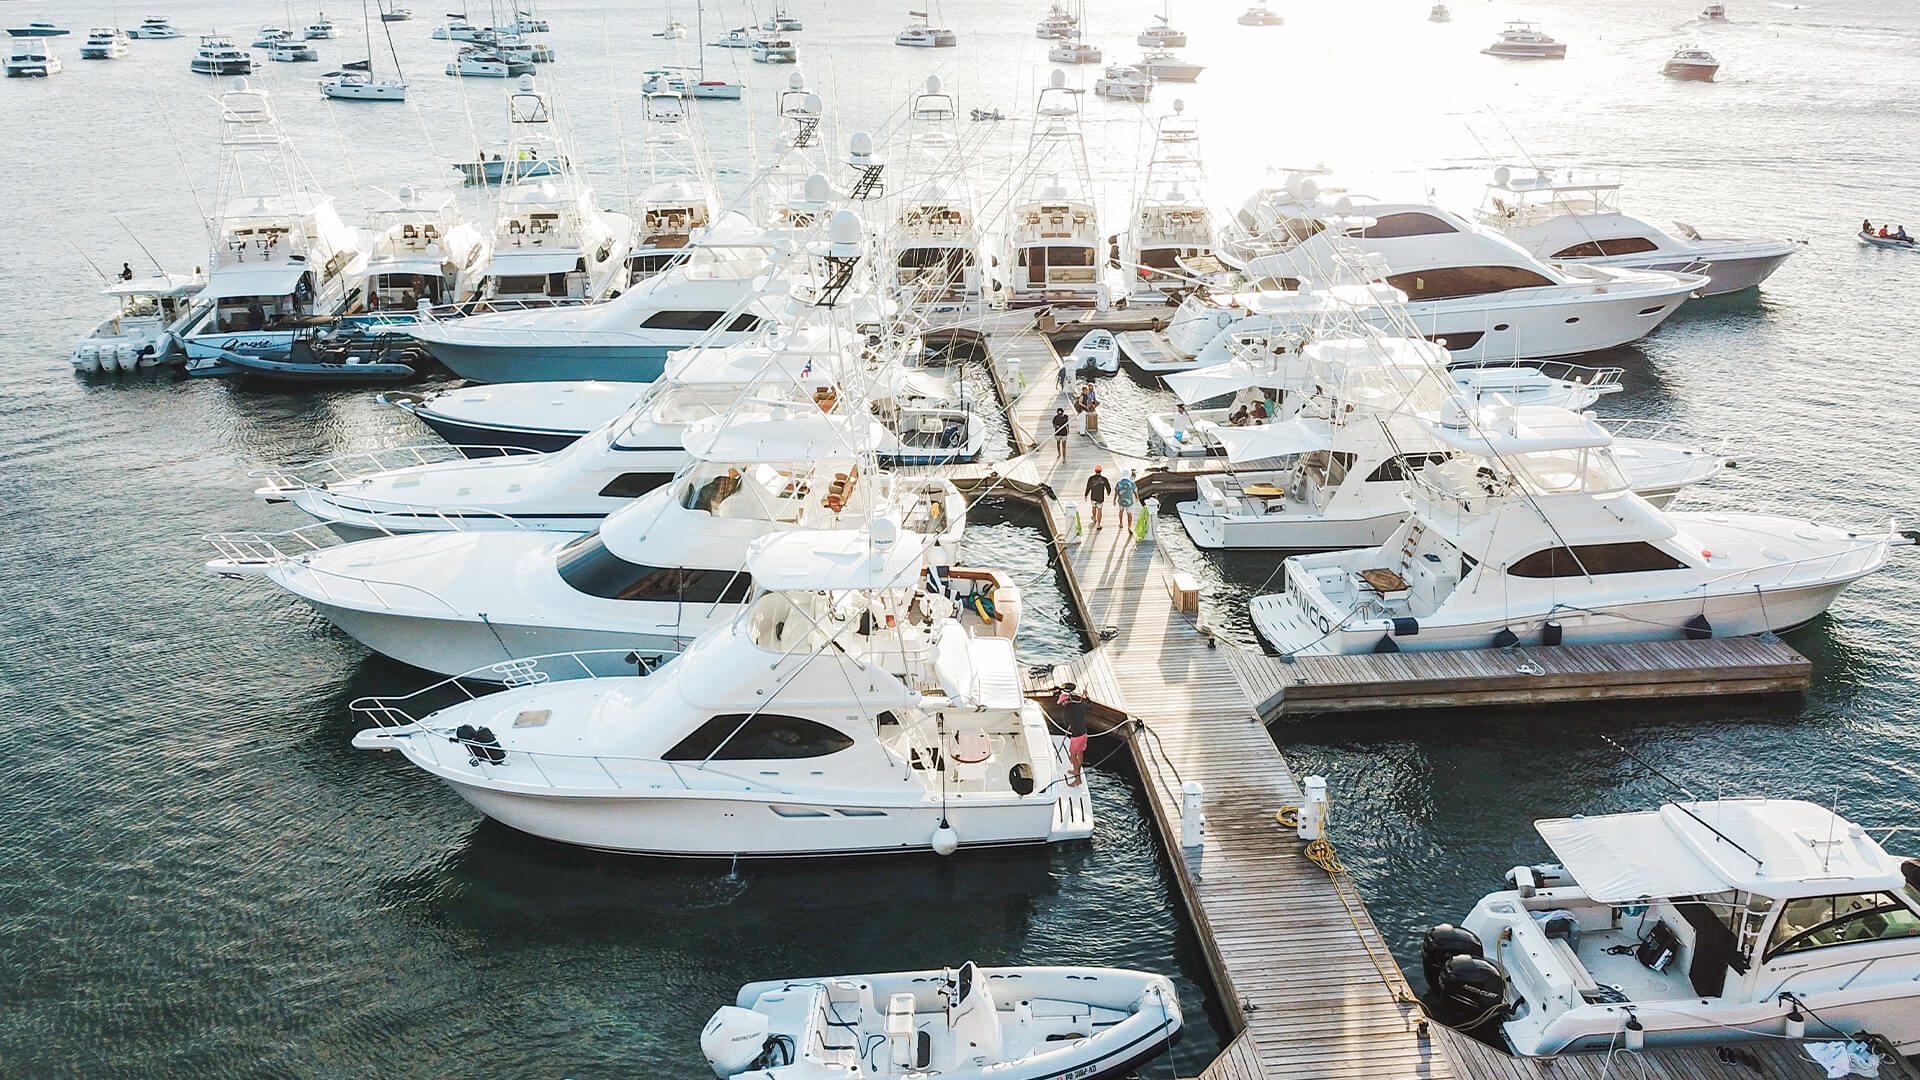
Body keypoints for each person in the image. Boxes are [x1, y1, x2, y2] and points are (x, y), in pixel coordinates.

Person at [1057, 687, 1088, 786]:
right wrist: (1086, 697)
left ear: (1066, 700)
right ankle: (1076, 771)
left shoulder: (1066, 710)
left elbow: (1066, 723)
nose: (1062, 704)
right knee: (1080, 752)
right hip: (1084, 733)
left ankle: (1077, 779)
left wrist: (1070, 723)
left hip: (1076, 736)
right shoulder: (1079, 704)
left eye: (1062, 702)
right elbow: (1089, 706)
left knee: (1073, 756)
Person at [1085, 464, 1111, 529]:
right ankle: (1099, 524)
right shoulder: (1104, 479)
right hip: (1100, 498)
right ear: (1101, 471)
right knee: (1099, 511)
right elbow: (1108, 487)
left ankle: (1094, 518)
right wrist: (1108, 492)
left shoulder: (1091, 478)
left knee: (1093, 507)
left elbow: (1088, 487)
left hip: (1093, 497)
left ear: (1095, 471)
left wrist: (1086, 495)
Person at [1115, 469, 1138, 534]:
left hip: (1121, 501)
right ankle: (1129, 527)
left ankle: (1121, 523)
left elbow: (1116, 492)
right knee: (1129, 514)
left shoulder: (1119, 483)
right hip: (1129, 501)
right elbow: (1135, 491)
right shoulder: (1132, 483)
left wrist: (1114, 500)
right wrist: (1137, 498)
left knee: (1121, 511)